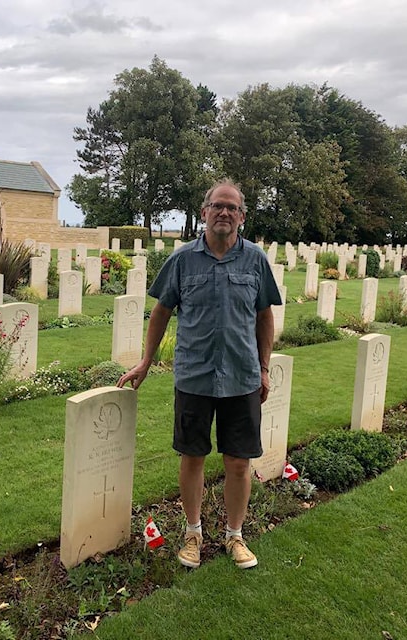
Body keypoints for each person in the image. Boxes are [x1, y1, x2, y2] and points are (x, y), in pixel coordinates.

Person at [117, 179, 283, 570]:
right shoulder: (182, 260)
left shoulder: (255, 260)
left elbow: (264, 317)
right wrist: (145, 361)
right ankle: (193, 532)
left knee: (238, 462)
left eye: (232, 207)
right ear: (204, 211)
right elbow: (161, 312)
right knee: (192, 456)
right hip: (194, 375)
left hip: (241, 376)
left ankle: (234, 536)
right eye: (217, 206)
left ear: (242, 216)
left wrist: (262, 367)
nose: (224, 212)